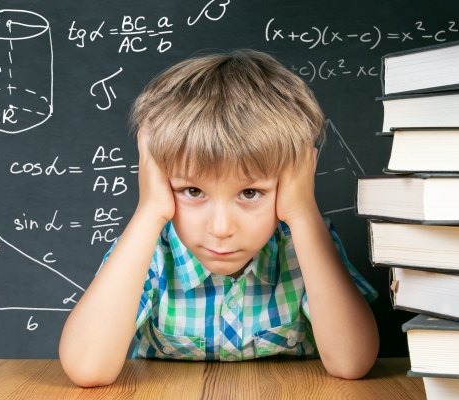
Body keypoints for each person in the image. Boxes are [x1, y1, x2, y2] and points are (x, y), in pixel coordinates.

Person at [58, 49, 379, 387]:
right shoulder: (148, 252)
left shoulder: (303, 245)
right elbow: (87, 369)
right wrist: (149, 209)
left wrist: (302, 211)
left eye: (250, 193)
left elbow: (352, 362)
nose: (221, 229)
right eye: (193, 191)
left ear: (292, 181)